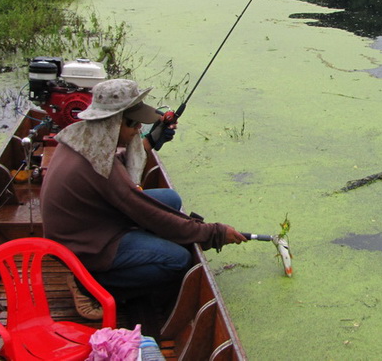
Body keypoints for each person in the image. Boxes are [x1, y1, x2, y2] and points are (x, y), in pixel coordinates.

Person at [40, 78, 247, 319]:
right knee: (177, 259)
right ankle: (90, 284)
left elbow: (122, 166)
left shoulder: (84, 138)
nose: (139, 129)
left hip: (93, 222)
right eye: (134, 124)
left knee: (169, 198)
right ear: (113, 123)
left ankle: (109, 269)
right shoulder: (99, 168)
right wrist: (214, 232)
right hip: (85, 246)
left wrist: (150, 141)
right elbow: (148, 213)